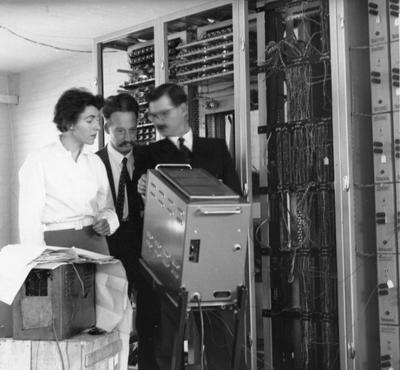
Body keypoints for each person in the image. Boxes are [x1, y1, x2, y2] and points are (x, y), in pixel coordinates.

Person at [134, 83, 243, 370]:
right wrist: (141, 187)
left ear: (183, 109)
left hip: (212, 261)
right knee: (168, 340)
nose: (158, 121)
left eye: (164, 113)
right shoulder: (148, 154)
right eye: (153, 115)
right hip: (168, 262)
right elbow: (140, 198)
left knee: (220, 335)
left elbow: (233, 198)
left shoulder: (216, 148)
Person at [19, 88, 119, 255]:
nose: (98, 127)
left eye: (98, 120)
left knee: (111, 281)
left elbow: (108, 208)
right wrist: (38, 260)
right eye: (90, 120)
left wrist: (107, 221)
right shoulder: (38, 160)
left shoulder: (95, 162)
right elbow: (29, 222)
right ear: (70, 123)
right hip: (56, 244)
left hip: (95, 242)